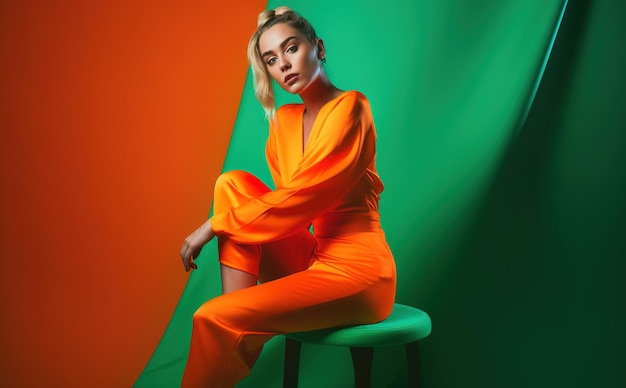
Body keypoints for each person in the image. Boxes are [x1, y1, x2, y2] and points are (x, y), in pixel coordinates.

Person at [178, 6, 396, 387]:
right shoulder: (284, 124)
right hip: (314, 257)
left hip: (360, 273)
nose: (284, 65)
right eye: (271, 60)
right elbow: (282, 214)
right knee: (230, 183)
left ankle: (233, 321)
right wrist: (223, 219)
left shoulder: (352, 108)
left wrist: (213, 225)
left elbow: (300, 201)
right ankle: (240, 317)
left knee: (209, 316)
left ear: (319, 47)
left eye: (291, 49)